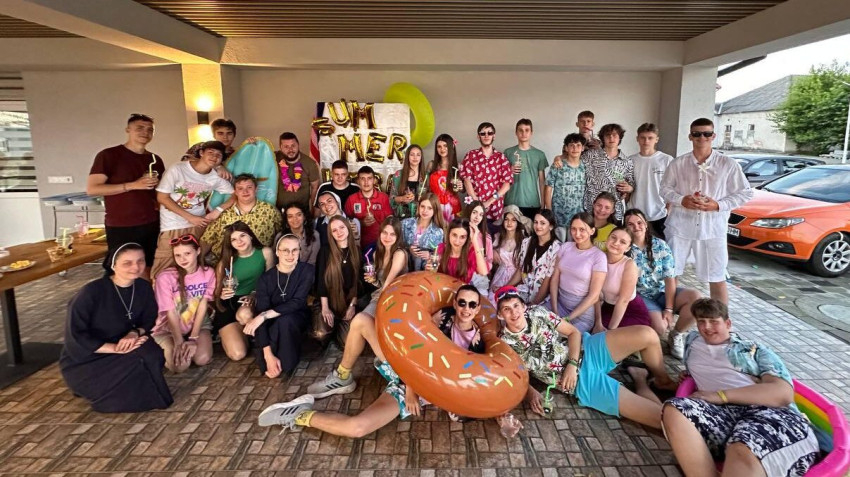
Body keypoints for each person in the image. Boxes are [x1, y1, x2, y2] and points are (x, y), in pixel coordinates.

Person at [258, 285, 489, 435]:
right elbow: (415, 349)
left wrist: (418, 392)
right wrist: (410, 385)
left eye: (472, 304)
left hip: (421, 388)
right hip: (405, 371)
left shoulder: (478, 343)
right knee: (361, 321)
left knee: (357, 428)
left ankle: (299, 414)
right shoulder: (443, 317)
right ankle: (342, 376)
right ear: (455, 303)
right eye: (462, 302)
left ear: (478, 308)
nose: (466, 309)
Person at [662, 299, 819, 476]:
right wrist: (689, 375)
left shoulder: (753, 350)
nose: (707, 327)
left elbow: (783, 393)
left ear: (728, 324)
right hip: (722, 413)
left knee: (744, 446)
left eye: (714, 321)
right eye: (701, 321)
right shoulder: (692, 341)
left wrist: (721, 395)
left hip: (766, 411)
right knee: (675, 409)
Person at [496, 286, 677, 429]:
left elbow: (573, 332)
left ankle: (662, 380)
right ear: (500, 315)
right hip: (582, 382)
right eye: (506, 309)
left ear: (523, 306)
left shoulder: (537, 312)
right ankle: (640, 381)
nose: (514, 313)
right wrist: (531, 394)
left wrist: (572, 364)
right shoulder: (504, 344)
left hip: (588, 349)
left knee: (648, 334)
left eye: (516, 305)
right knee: (662, 418)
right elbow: (516, 376)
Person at [60, 243, 173, 413]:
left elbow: (149, 319)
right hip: (89, 358)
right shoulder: (91, 292)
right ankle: (99, 392)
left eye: (140, 261)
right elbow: (76, 335)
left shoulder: (143, 287)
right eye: (127, 263)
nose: (136, 267)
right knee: (140, 359)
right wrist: (114, 348)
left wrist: (134, 333)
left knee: (152, 354)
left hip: (126, 345)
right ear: (113, 265)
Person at [307, 217, 409, 397]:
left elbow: (389, 284)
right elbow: (379, 285)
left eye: (392, 234)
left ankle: (396, 374)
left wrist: (372, 296)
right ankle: (344, 375)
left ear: (398, 236)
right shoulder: (377, 254)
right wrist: (373, 280)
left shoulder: (399, 253)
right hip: (378, 297)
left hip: (393, 300)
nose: (387, 237)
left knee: (360, 320)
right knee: (357, 323)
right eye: (384, 233)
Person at [660, 118, 753, 305]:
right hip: (680, 226)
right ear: (690, 136)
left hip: (712, 228)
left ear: (713, 136)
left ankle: (722, 318)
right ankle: (669, 311)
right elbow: (664, 188)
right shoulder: (678, 163)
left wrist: (718, 205)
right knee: (672, 272)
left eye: (706, 134)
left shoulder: (728, 164)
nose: (701, 137)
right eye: (697, 134)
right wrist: (681, 200)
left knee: (717, 275)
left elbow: (745, 193)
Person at [87, 113, 165, 279]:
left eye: (150, 129)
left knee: (147, 266)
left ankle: (144, 295)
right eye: (140, 128)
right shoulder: (109, 155)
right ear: (128, 130)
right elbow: (93, 189)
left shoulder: (154, 159)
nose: (145, 132)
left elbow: (160, 193)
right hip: (122, 224)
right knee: (121, 269)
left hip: (151, 222)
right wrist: (133, 185)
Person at [624, 208, 700, 358]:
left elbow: (669, 278)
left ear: (646, 224)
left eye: (639, 222)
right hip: (641, 295)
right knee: (659, 327)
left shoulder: (660, 245)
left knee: (696, 298)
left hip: (662, 292)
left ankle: (676, 334)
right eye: (630, 224)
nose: (636, 227)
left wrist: (669, 309)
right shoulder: (625, 247)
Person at [152, 140, 234, 278]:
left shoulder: (215, 177)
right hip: (173, 225)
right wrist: (190, 217)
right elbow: (162, 197)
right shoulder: (178, 169)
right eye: (211, 152)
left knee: (195, 265)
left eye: (218, 155)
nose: (214, 157)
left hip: (198, 225)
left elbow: (235, 194)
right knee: (164, 267)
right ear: (201, 153)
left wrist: (218, 210)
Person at [243, 234, 314, 378]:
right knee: (268, 325)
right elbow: (261, 312)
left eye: (295, 250)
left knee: (284, 320)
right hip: (272, 323)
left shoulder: (306, 270)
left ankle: (283, 363)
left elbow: (297, 302)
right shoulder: (265, 279)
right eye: (285, 250)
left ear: (299, 251)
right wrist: (268, 354)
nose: (290, 254)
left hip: (297, 318)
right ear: (277, 252)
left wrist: (263, 316)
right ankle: (270, 359)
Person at [152, 234, 214, 372]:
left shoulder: (208, 273)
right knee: (179, 366)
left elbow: (202, 305)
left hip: (195, 323)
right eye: (178, 255)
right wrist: (179, 341)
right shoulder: (165, 277)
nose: (182, 259)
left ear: (198, 251)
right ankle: (159, 350)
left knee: (202, 359)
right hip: (167, 329)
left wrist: (193, 337)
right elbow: (170, 312)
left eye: (187, 253)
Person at [213, 222, 274, 361]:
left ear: (250, 236)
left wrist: (255, 294)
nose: (239, 241)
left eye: (242, 236)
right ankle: (242, 335)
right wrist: (222, 294)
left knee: (244, 314)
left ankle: (259, 342)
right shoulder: (226, 262)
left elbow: (271, 282)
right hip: (229, 303)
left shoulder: (265, 252)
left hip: (253, 298)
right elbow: (217, 292)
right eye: (233, 239)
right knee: (237, 354)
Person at [200, 173, 282, 264]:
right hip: (224, 263)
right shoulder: (223, 213)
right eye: (240, 188)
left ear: (256, 189)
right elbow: (207, 239)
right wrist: (200, 260)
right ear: (235, 192)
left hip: (258, 263)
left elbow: (280, 234)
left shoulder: (270, 211)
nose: (245, 191)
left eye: (249, 187)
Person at [549, 212, 607, 333]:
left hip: (582, 314)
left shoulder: (598, 256)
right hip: (559, 303)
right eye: (574, 229)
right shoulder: (565, 247)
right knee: (534, 321)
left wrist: (567, 319)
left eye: (582, 229)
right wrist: (554, 309)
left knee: (557, 337)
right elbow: (555, 279)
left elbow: (594, 296)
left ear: (592, 231)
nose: (577, 234)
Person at [314, 215, 364, 347]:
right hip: (329, 301)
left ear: (348, 228)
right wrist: (325, 308)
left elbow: (358, 283)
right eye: (334, 230)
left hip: (348, 302)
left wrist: (352, 306)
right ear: (330, 234)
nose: (339, 232)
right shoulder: (325, 251)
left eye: (342, 227)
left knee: (346, 342)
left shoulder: (357, 251)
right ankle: (331, 327)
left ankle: (338, 327)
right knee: (320, 334)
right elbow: (321, 281)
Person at [594, 227, 652, 333]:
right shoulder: (599, 258)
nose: (616, 243)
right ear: (607, 239)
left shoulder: (629, 265)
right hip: (606, 307)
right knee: (592, 329)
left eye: (622, 242)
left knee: (608, 338)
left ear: (627, 248)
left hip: (629, 310)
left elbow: (623, 301)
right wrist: (598, 322)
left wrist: (610, 331)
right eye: (613, 238)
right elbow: (595, 294)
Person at [460, 122, 513, 230]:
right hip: (474, 211)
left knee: (492, 239)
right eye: (483, 133)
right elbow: (466, 180)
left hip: (495, 211)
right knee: (472, 238)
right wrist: (477, 203)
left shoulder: (501, 158)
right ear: (478, 136)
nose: (486, 136)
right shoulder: (471, 155)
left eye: (490, 133)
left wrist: (489, 202)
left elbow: (506, 185)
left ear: (494, 135)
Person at [628, 123, 674, 239]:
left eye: (650, 138)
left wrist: (668, 211)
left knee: (658, 248)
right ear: (637, 139)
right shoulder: (630, 160)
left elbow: (673, 187)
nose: (646, 141)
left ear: (656, 139)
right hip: (635, 214)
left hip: (659, 215)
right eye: (643, 137)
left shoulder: (667, 160)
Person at [506, 209, 561, 306]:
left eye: (542, 223)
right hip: (524, 291)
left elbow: (548, 281)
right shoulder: (526, 242)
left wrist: (534, 303)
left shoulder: (557, 249)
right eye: (536, 222)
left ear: (551, 226)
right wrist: (505, 287)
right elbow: (521, 270)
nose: (538, 226)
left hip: (544, 298)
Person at [582, 123, 635, 222]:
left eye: (614, 135)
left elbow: (631, 183)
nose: (611, 138)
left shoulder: (627, 161)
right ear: (603, 138)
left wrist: (629, 188)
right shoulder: (590, 156)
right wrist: (559, 158)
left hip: (614, 211)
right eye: (607, 135)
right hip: (592, 208)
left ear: (620, 138)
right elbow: (573, 161)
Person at [429, 218, 490, 293]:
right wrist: (430, 269)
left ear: (467, 238)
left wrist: (474, 240)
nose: (457, 241)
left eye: (462, 237)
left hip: (461, 293)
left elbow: (483, 272)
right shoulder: (441, 248)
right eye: (454, 235)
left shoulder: (471, 252)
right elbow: (434, 274)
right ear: (449, 234)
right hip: (442, 290)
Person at [503, 119, 548, 219]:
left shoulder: (539, 154)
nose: (523, 133)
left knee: (531, 228)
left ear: (531, 132)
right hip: (511, 202)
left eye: (527, 130)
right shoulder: (508, 153)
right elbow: (501, 178)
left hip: (532, 202)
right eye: (520, 130)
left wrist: (543, 204)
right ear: (516, 132)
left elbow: (542, 181)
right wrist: (509, 170)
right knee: (510, 228)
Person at [545, 133, 587, 242]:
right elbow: (548, 188)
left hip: (577, 215)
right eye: (571, 145)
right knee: (558, 245)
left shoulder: (585, 167)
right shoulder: (558, 165)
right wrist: (549, 210)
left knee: (574, 245)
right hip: (559, 214)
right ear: (566, 148)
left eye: (578, 145)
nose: (575, 148)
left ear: (583, 148)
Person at [344, 166, 392, 251]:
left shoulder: (383, 197)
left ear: (374, 180)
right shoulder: (351, 199)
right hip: (358, 245)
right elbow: (346, 223)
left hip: (380, 244)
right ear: (358, 181)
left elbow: (390, 220)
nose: (366, 182)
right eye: (362, 179)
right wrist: (361, 223)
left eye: (369, 178)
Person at [490, 205, 530, 297]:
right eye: (506, 219)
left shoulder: (524, 241)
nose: (509, 223)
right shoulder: (498, 237)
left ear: (518, 222)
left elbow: (523, 268)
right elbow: (490, 256)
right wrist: (493, 251)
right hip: (500, 274)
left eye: (513, 220)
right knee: (493, 298)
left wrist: (505, 287)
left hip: (517, 278)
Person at [275, 132, 320, 211]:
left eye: (293, 145)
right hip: (280, 210)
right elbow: (259, 154)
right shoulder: (275, 158)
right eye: (286, 147)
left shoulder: (310, 164)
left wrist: (314, 212)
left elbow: (314, 188)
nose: (290, 149)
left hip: (302, 212)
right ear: (280, 148)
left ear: (298, 145)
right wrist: (252, 144)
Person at [401, 193, 446, 271]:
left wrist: (430, 255)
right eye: (422, 206)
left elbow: (440, 254)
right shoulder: (406, 223)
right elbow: (396, 245)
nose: (425, 211)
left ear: (435, 210)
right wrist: (409, 248)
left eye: (429, 208)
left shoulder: (438, 232)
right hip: (404, 264)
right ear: (418, 207)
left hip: (424, 267)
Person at [427, 133, 463, 222]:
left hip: (453, 207)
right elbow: (425, 187)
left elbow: (462, 190)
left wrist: (460, 187)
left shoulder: (458, 167)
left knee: (453, 229)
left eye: (445, 146)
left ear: (451, 147)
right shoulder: (431, 165)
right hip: (435, 205)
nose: (442, 149)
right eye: (439, 146)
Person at [388, 145, 429, 219]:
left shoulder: (426, 176)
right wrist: (402, 198)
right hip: (401, 218)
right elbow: (391, 199)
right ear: (407, 157)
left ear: (421, 158)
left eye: (418, 155)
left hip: (421, 217)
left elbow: (431, 198)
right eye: (412, 154)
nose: (415, 157)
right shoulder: (398, 175)